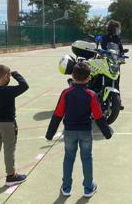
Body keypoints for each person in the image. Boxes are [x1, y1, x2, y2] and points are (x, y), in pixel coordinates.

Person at [46, 62, 112, 198]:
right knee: (87, 158)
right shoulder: (91, 95)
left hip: (69, 132)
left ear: (72, 76)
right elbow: (98, 116)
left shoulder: (66, 93)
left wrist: (50, 134)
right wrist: (107, 133)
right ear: (89, 78)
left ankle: (66, 187)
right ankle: (88, 188)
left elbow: (58, 114)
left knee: (68, 158)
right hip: (85, 132)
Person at [0, 65, 29, 187]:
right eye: (8, 75)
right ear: (5, 76)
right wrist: (15, 74)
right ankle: (11, 176)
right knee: (9, 149)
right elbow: (25, 85)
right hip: (7, 124)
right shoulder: (7, 91)